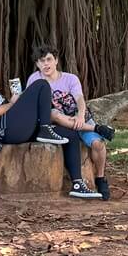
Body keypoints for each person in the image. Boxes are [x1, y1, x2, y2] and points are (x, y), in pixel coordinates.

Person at [0, 55, 96, 197]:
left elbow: (1, 108)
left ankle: (77, 184)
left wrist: (13, 100)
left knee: (69, 134)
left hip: (15, 124)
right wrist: (12, 104)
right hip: (6, 130)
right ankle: (45, 129)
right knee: (41, 84)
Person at [26, 46, 110, 199]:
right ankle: (98, 128)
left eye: (49, 59)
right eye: (41, 61)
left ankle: (100, 178)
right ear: (37, 64)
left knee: (98, 145)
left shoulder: (70, 78)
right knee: (54, 113)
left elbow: (79, 99)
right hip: (57, 122)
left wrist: (80, 115)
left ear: (56, 61)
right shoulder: (35, 79)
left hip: (78, 120)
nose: (46, 64)